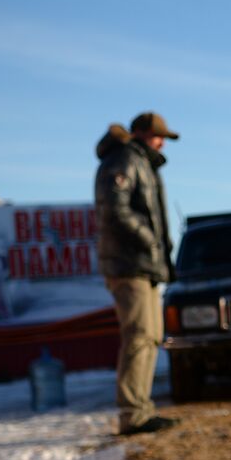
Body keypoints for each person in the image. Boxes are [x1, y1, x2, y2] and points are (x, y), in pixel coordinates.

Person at [94, 111, 180, 436]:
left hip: (142, 265)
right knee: (140, 336)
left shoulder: (141, 162)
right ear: (143, 134)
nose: (162, 143)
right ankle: (133, 414)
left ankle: (142, 410)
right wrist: (148, 239)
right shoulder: (125, 158)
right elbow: (115, 208)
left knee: (150, 336)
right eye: (159, 136)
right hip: (129, 264)